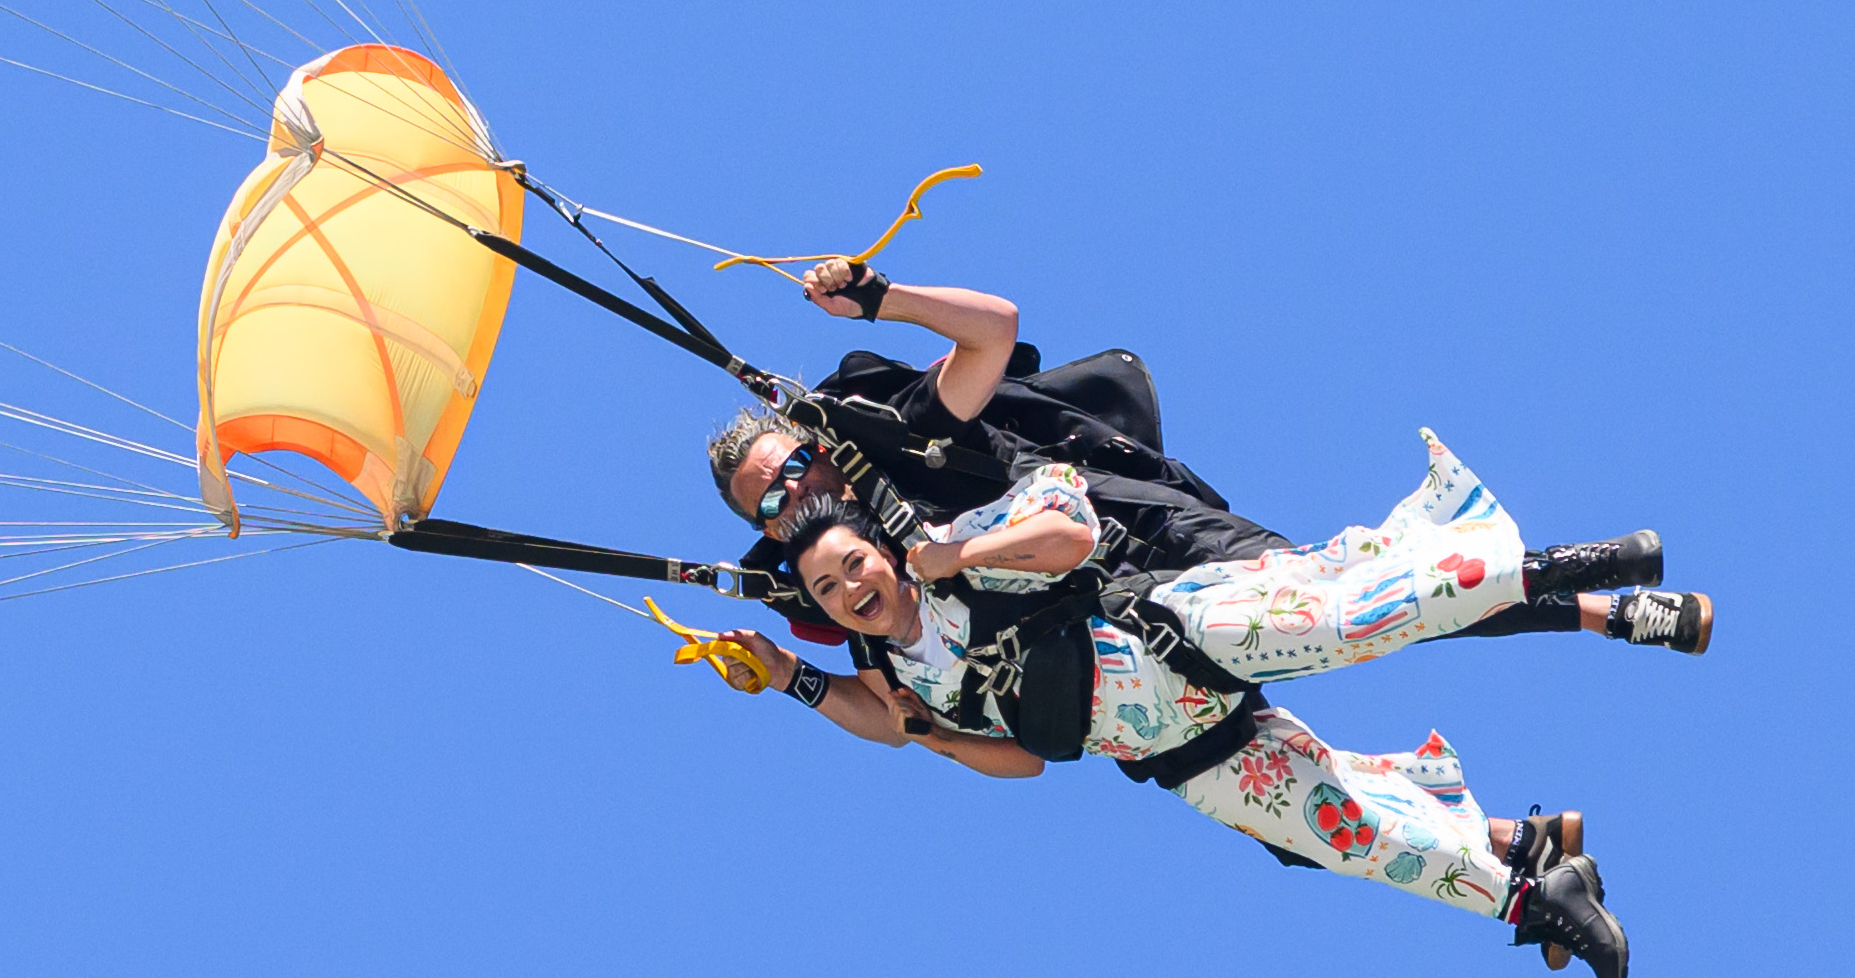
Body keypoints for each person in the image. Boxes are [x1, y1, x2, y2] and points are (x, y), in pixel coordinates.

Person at [708, 259, 1704, 655]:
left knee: (1352, 594)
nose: (799, 503)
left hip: (1134, 527)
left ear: (810, 445)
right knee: (1345, 627)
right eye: (775, 511)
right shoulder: (834, 573)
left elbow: (994, 335)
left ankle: (1581, 588)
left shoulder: (887, 428)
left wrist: (879, 296)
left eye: (792, 472)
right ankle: (1516, 842)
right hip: (1116, 633)